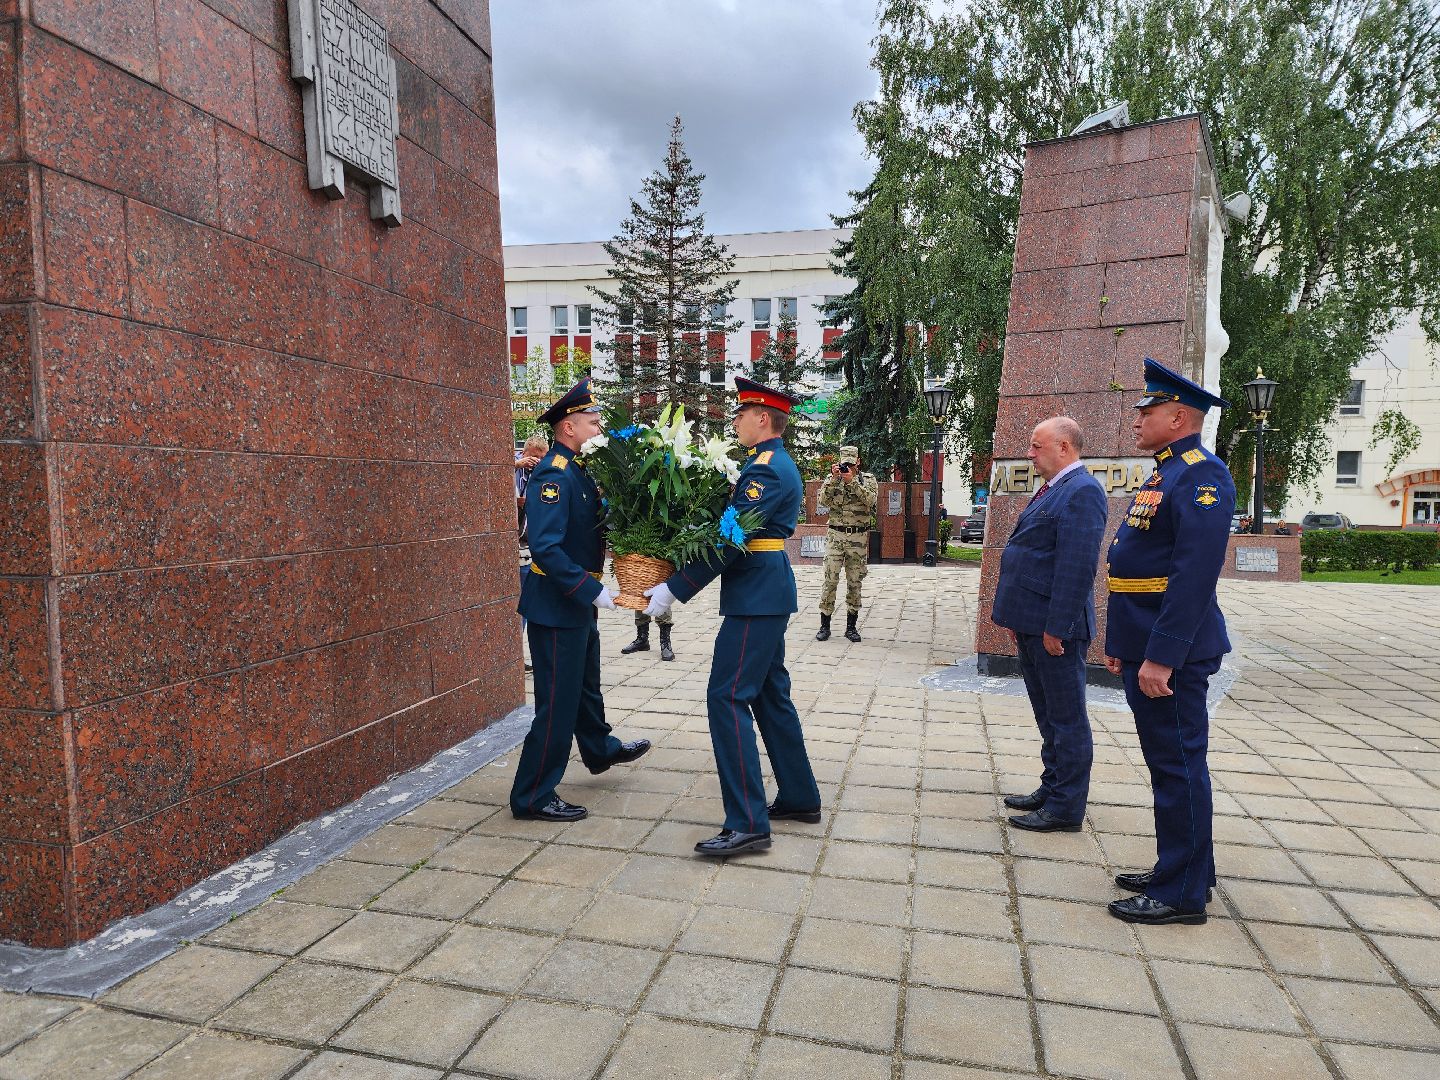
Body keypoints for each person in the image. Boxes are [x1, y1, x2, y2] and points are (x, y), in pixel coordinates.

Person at [642, 377, 821, 856]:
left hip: (756, 597)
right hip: (763, 592)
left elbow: (729, 538)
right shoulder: (767, 464)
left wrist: (673, 588)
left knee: (727, 697)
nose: (735, 421)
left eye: (741, 414)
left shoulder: (766, 470)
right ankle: (801, 796)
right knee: (769, 696)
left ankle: (747, 822)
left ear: (763, 418)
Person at [1104, 357, 1235, 926]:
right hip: (1144, 639)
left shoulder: (1201, 475)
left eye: (1148, 410)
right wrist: (1123, 642)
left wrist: (1160, 655)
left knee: (1178, 765)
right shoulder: (1165, 472)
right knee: (1168, 763)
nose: (1137, 419)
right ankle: (1179, 867)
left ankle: (1181, 894)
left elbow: (1193, 573)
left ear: (1178, 416)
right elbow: (1133, 568)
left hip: (1171, 651)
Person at [509, 378, 650, 821]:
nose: (599, 426)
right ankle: (531, 795)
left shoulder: (581, 469)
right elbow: (547, 548)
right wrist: (595, 591)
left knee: (585, 685)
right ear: (568, 427)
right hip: (557, 603)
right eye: (592, 421)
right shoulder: (554, 473)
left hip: (575, 602)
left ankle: (599, 749)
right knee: (557, 702)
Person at [991, 417, 1108, 833]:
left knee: (1066, 718)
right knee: (1048, 714)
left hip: (1054, 629)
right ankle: (1053, 786)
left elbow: (1076, 568)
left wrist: (1057, 627)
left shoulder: (1082, 491)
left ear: (1063, 447)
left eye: (1036, 445)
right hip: (1033, 622)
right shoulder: (1057, 488)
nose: (1029, 452)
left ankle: (1066, 807)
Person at [816, 445, 878, 642]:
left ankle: (851, 628)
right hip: (835, 536)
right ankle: (824, 625)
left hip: (858, 539)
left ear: (858, 462)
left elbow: (871, 500)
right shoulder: (832, 479)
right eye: (845, 464)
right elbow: (823, 501)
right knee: (830, 580)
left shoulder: (867, 480)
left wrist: (852, 483)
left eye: (851, 463)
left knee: (854, 582)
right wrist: (834, 480)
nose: (847, 467)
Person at [514, 433, 549, 545]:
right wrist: (517, 465)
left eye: (542, 458)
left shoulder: (544, 469)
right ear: (523, 453)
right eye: (534, 456)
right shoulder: (511, 462)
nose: (538, 461)